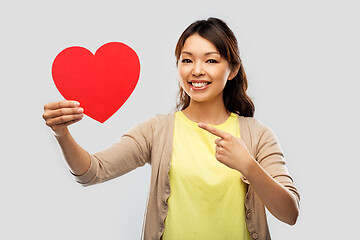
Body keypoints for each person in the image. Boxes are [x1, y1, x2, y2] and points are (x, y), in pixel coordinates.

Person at [43, 17, 300, 240]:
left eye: (211, 61)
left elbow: (290, 214)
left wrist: (248, 165)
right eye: (187, 60)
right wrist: (61, 133)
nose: (196, 71)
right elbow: (91, 172)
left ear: (232, 70)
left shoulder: (258, 135)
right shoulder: (158, 130)